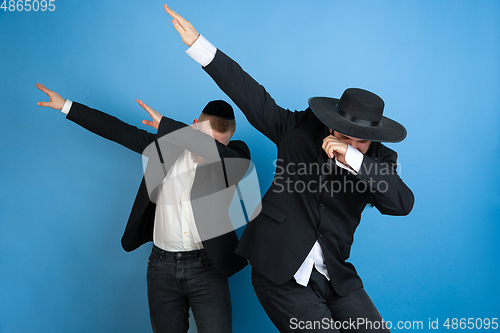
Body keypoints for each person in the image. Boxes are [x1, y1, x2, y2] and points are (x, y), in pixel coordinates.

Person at [164, 5, 415, 333]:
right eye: (342, 136)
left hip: (336, 276)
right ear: (331, 124)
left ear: (374, 139)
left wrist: (355, 160)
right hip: (278, 271)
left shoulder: (379, 163)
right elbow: (253, 97)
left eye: (360, 142)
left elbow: (402, 203)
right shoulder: (299, 130)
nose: (348, 144)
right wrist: (200, 45)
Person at [36, 82, 251, 333]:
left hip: (208, 269)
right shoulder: (166, 150)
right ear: (194, 125)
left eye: (218, 145)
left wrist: (177, 130)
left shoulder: (236, 157)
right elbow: (117, 131)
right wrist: (66, 106)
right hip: (161, 268)